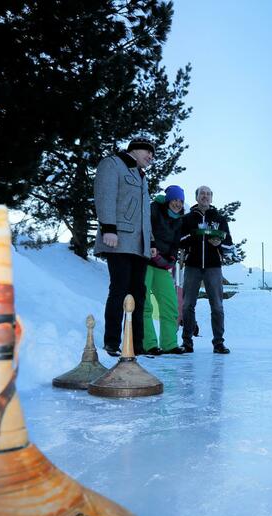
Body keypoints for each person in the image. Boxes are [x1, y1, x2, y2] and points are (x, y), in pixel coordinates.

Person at [93, 137, 155, 356]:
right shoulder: (113, 164)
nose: (151, 158)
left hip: (139, 245)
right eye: (149, 152)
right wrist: (108, 227)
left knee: (138, 293)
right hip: (118, 239)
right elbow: (104, 196)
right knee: (119, 289)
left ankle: (136, 344)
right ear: (136, 150)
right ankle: (111, 342)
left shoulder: (141, 176)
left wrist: (151, 241)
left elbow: (145, 214)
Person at [179, 185, 233, 354]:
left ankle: (218, 343)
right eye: (202, 193)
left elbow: (229, 244)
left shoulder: (219, 219)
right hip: (192, 265)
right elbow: (180, 240)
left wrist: (220, 243)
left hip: (213, 266)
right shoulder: (187, 219)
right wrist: (195, 235)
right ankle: (187, 342)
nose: (205, 196)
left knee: (217, 305)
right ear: (196, 197)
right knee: (188, 305)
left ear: (211, 198)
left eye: (208, 194)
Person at [142, 185, 186, 355]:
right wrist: (151, 248)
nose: (177, 203)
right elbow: (146, 229)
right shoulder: (154, 209)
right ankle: (149, 344)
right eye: (175, 199)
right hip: (146, 260)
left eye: (180, 201)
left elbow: (176, 243)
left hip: (162, 264)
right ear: (168, 200)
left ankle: (169, 344)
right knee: (145, 304)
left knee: (170, 304)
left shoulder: (179, 218)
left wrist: (171, 258)